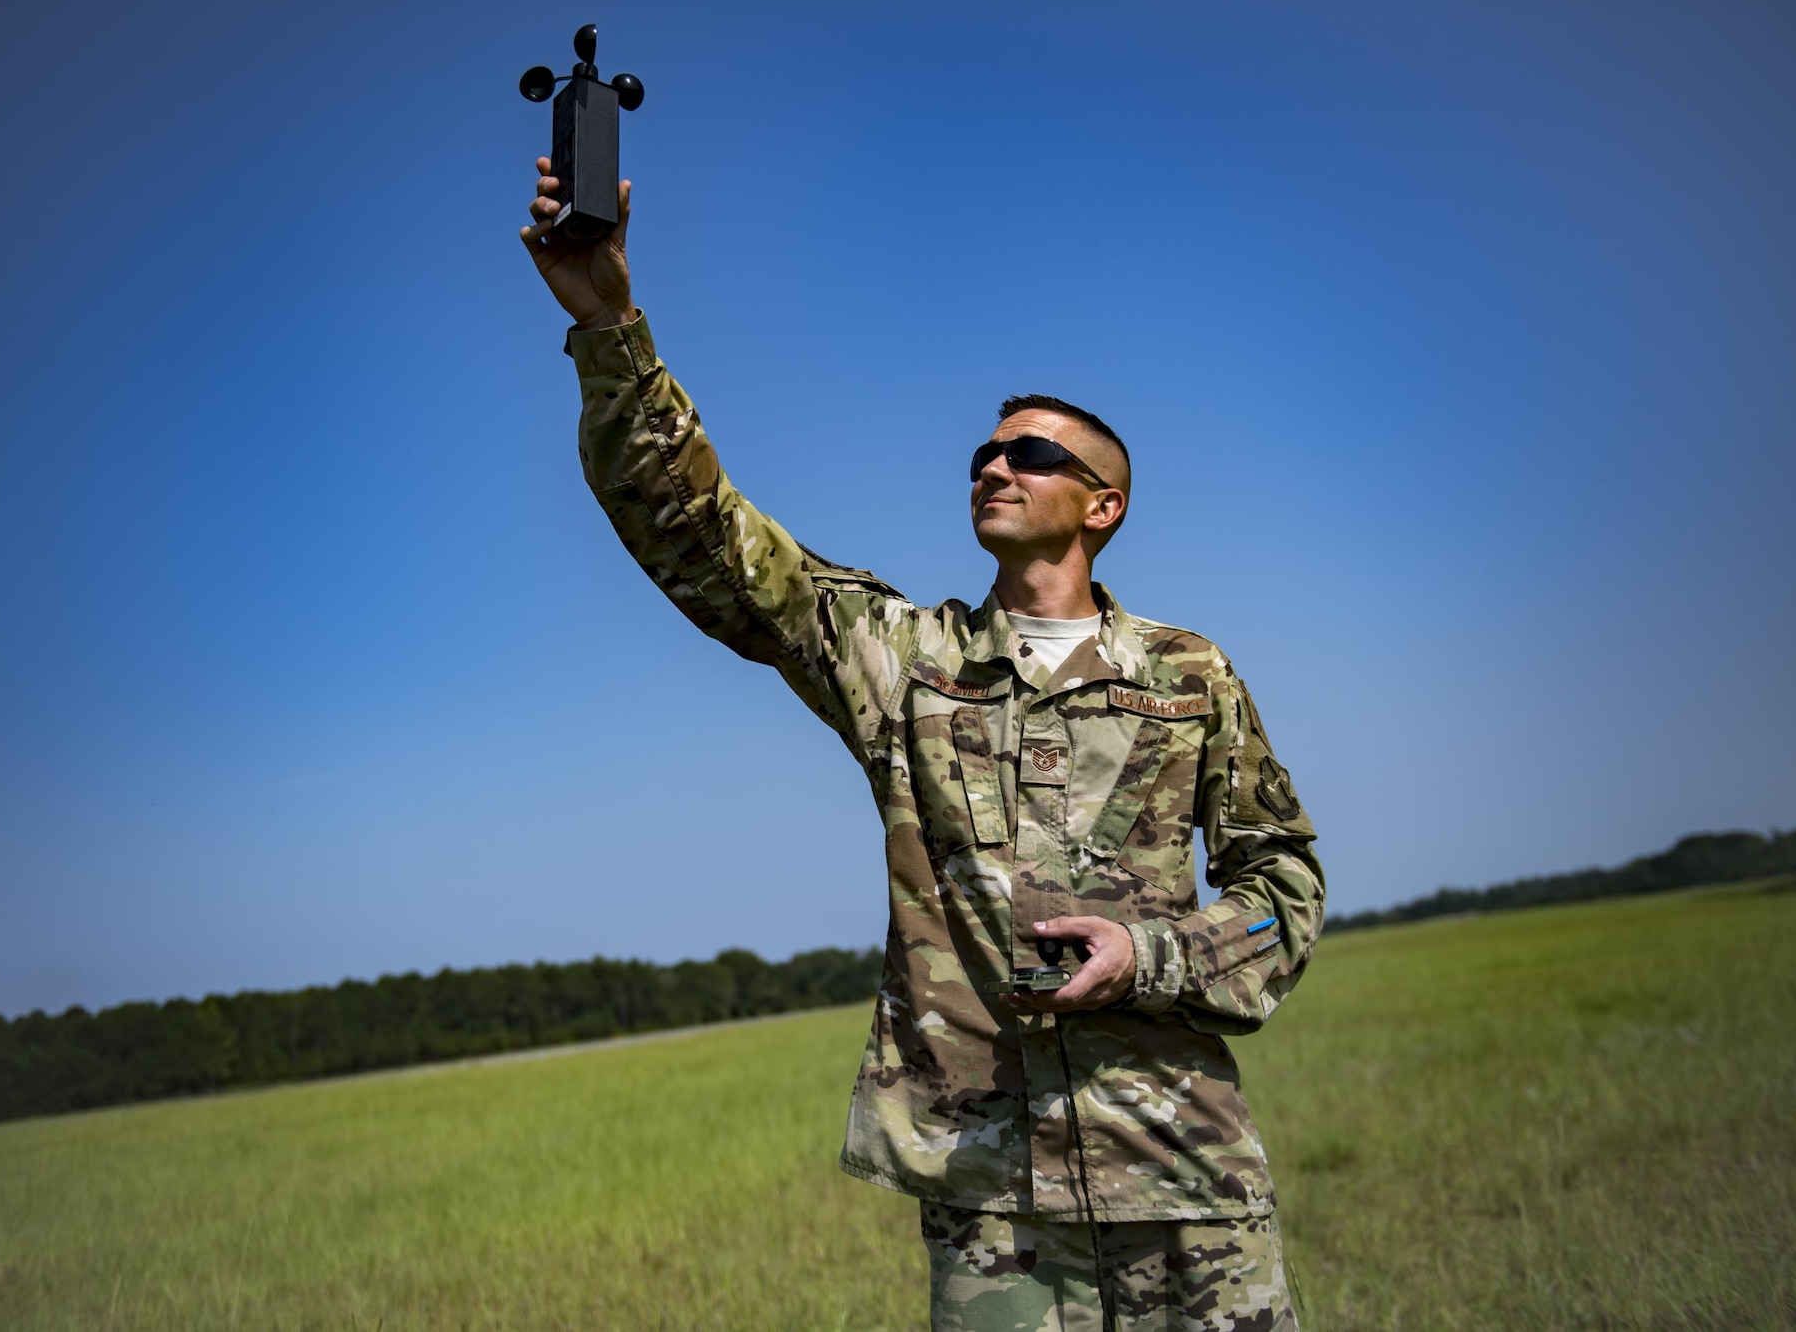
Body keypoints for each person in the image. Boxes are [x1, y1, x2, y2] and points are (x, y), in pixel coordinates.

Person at [521, 162, 1323, 1332]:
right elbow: (709, 540)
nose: (992, 465)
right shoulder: (902, 660)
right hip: (987, 1196)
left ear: (1102, 504)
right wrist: (606, 323)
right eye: (981, 457)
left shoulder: (1188, 675)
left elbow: (1281, 883)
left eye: (1031, 455)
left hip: (1183, 1176)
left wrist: (1149, 955)